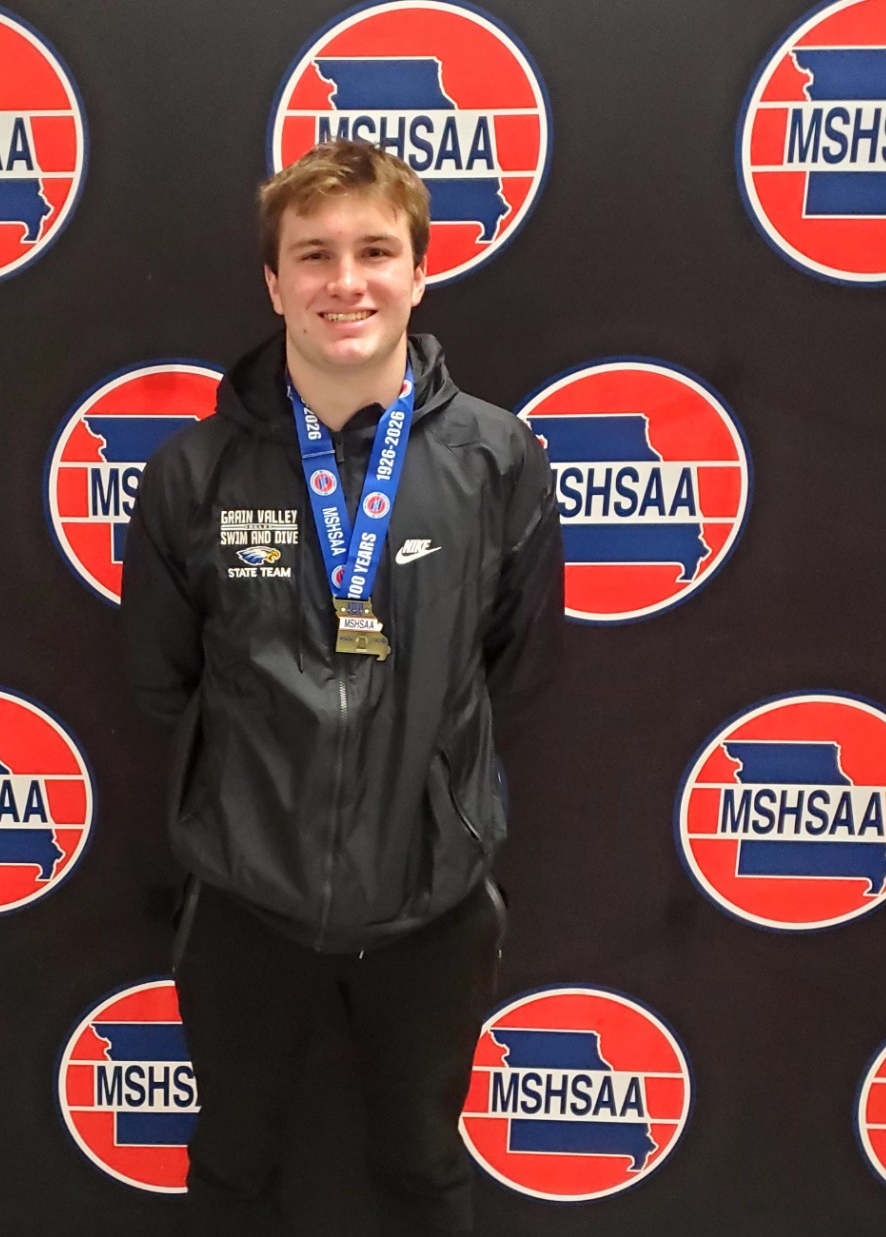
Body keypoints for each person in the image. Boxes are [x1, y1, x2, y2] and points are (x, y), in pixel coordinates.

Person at [122, 138, 562, 1236]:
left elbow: (516, 660)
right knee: (230, 1169)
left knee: (421, 1169)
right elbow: (162, 679)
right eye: (311, 255)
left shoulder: (496, 461)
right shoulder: (194, 472)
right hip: (244, 906)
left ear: (419, 271)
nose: (344, 280)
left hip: (430, 906)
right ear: (273, 282)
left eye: (374, 250)